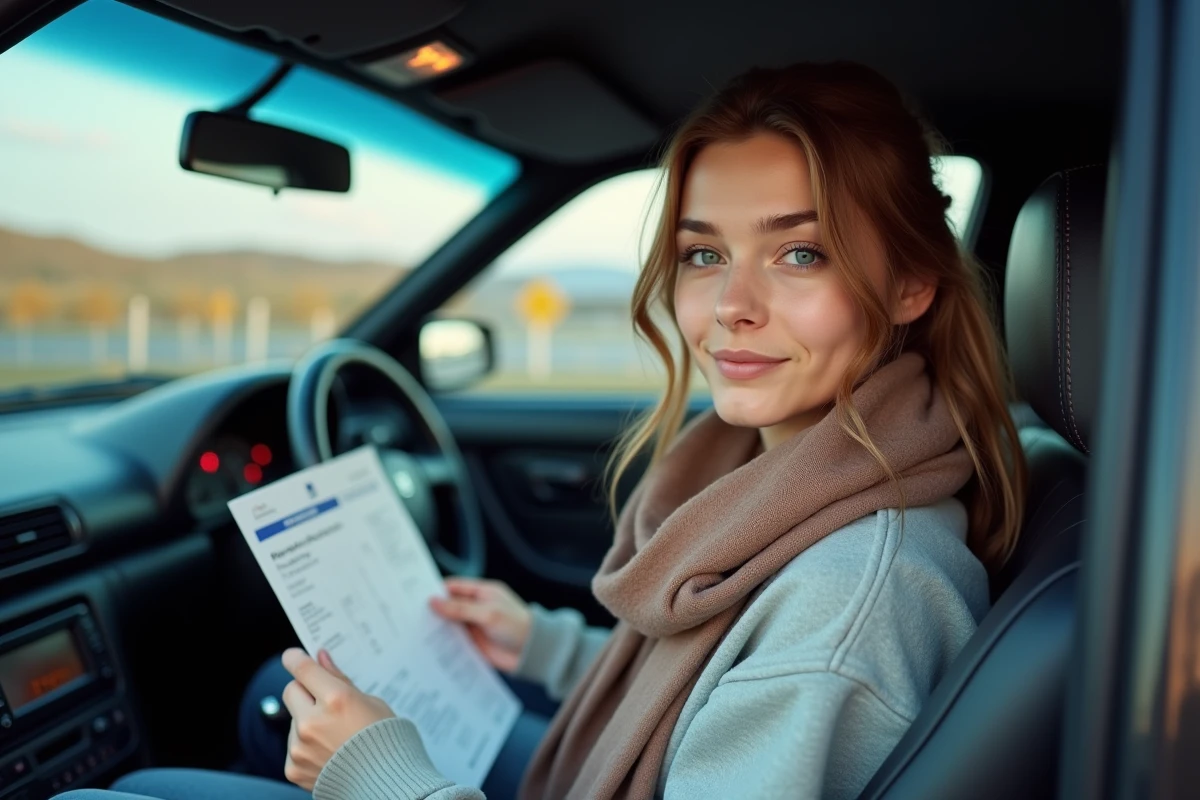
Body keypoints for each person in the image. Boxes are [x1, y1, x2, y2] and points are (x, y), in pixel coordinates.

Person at [57, 59, 1026, 800]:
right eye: (702, 252)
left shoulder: (854, 599)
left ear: (911, 284)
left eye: (799, 252)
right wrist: (547, 646)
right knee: (285, 684)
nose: (730, 303)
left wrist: (377, 770)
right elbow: (714, 689)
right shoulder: (807, 479)